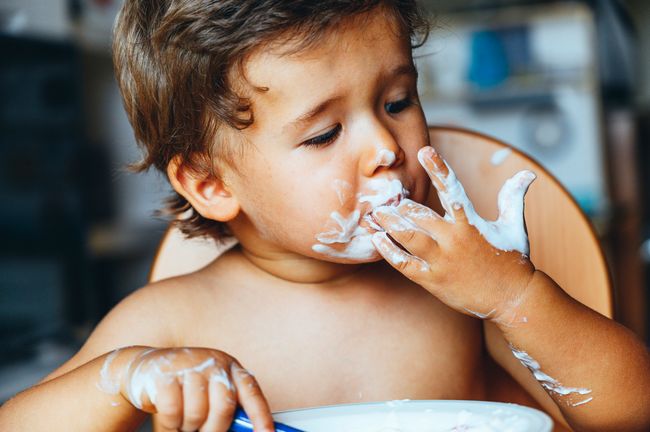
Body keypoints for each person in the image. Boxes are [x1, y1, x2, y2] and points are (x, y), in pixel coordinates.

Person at [2, 1, 649, 431]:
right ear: (209, 182)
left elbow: (631, 412)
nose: (384, 149)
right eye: (323, 134)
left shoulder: (458, 287)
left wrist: (512, 294)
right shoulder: (172, 320)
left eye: (397, 100)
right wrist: (128, 376)